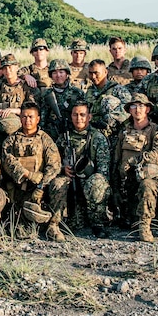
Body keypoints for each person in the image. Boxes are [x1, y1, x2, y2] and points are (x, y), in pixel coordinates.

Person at [110, 94, 158, 242]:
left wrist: (135, 161)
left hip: (149, 181)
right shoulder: (124, 132)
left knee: (147, 184)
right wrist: (115, 188)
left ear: (148, 109)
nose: (138, 109)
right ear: (129, 110)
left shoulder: (156, 131)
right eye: (134, 106)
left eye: (141, 106)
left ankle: (145, 227)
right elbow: (116, 159)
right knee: (126, 221)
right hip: (128, 183)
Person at [0, 104, 62, 238]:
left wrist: (41, 186)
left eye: (31, 117)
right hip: (18, 187)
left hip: (39, 188)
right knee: (19, 229)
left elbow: (54, 166)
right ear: (20, 118)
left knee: (59, 184)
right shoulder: (11, 140)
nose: (27, 120)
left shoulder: (45, 140)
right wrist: (28, 174)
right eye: (24, 117)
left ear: (38, 119)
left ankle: (53, 226)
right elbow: (8, 161)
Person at [52, 101, 111, 239]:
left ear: (89, 117)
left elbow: (103, 170)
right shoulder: (63, 137)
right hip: (70, 180)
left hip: (89, 182)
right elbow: (51, 161)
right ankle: (57, 219)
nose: (79, 118)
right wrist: (62, 169)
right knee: (75, 223)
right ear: (71, 116)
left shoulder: (97, 138)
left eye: (82, 115)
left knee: (97, 182)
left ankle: (98, 222)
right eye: (75, 115)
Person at [0, 55, 37, 140]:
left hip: (22, 131)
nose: (8, 71)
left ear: (17, 67)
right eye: (5, 68)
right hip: (1, 131)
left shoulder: (26, 87)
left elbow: (35, 109)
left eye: (10, 67)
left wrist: (16, 111)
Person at [83, 59, 131, 142]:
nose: (93, 77)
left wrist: (109, 118)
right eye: (91, 73)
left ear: (105, 72)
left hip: (114, 135)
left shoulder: (118, 90)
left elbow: (128, 109)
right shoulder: (89, 92)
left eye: (96, 73)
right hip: (93, 135)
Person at [40, 59, 85, 139]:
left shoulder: (77, 93)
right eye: (54, 73)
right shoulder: (47, 95)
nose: (58, 75)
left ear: (67, 73)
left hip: (74, 134)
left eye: (61, 72)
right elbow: (42, 120)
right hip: (52, 135)